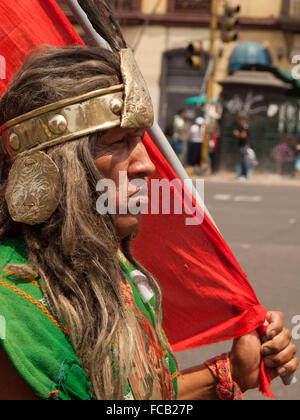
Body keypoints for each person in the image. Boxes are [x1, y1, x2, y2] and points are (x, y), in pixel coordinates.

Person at [0, 2, 297, 401]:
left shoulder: (115, 269)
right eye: (119, 142)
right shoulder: (17, 313)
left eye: (141, 141)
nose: (145, 166)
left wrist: (227, 373)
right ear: (58, 167)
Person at [233, 113, 252, 179]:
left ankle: (244, 175)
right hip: (242, 146)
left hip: (244, 146)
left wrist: (237, 134)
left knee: (245, 161)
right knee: (242, 161)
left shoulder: (245, 126)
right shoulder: (242, 127)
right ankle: (242, 174)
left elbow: (243, 135)